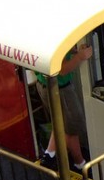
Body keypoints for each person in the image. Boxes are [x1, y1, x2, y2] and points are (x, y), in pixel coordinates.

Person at [37, 44, 92, 172]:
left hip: (45, 84)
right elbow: (62, 70)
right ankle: (80, 164)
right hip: (61, 89)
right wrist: (80, 56)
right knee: (71, 128)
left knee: (61, 123)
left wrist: (72, 50)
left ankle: (49, 154)